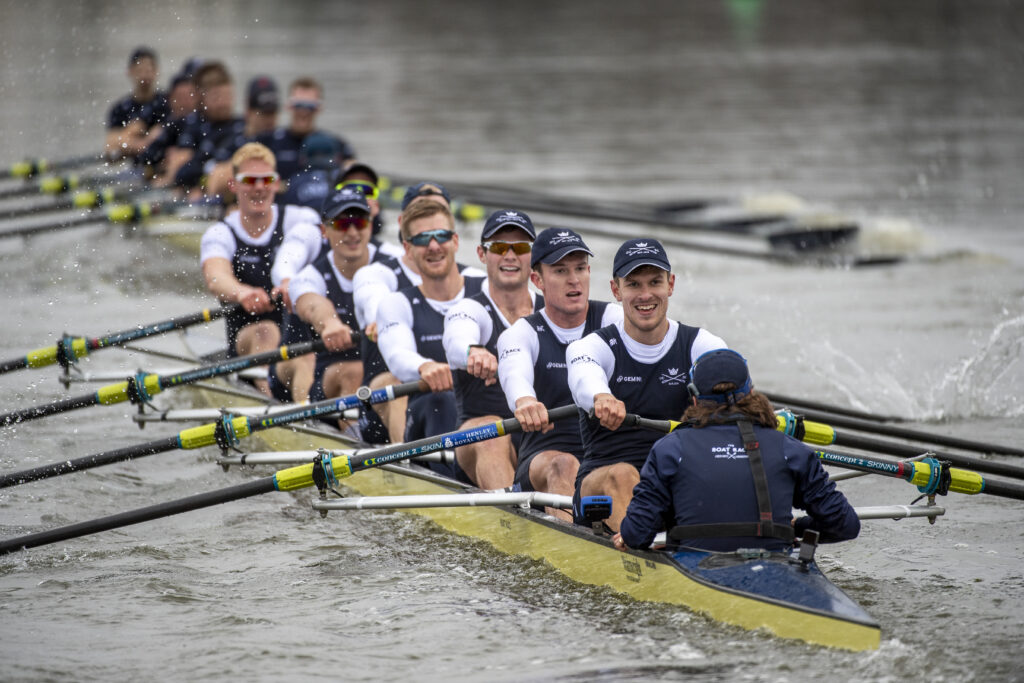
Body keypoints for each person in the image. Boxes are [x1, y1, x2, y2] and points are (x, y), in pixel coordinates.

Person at [613, 349, 860, 551]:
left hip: (695, 571)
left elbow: (636, 535)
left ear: (695, 399)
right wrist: (795, 527)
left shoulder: (670, 449)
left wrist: (633, 530)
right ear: (751, 393)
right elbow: (845, 525)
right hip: (776, 569)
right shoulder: (791, 450)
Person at [566, 238, 727, 531]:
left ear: (671, 284)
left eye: (655, 282)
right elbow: (583, 375)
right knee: (624, 476)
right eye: (633, 284)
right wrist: (601, 397)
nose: (645, 294)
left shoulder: (701, 344)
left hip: (672, 479)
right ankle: (647, 554)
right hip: (599, 486)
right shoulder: (593, 346)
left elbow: (734, 382)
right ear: (616, 290)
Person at [496, 228, 622, 521]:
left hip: (604, 456)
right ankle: (574, 551)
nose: (574, 279)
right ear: (537, 280)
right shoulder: (522, 334)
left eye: (580, 268)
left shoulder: (615, 320)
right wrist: (525, 402)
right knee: (564, 465)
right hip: (545, 458)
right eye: (560, 270)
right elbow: (515, 374)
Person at [352, 182, 476, 444]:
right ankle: (404, 460)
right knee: (398, 381)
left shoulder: (477, 280)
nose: (433, 242)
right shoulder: (378, 275)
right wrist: (378, 318)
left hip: (457, 399)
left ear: (453, 235)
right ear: (404, 228)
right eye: (422, 232)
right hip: (390, 393)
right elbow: (373, 297)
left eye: (440, 231)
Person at [199, 142, 320, 394]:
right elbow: (216, 277)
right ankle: (271, 399)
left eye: (266, 180)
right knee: (267, 331)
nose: (258, 188)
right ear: (234, 185)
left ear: (276, 183)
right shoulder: (222, 232)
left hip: (300, 338)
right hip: (248, 339)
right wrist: (241, 292)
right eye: (249, 180)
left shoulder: (301, 219)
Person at [375, 201, 485, 471]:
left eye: (442, 236)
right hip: (426, 416)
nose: (434, 246)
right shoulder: (396, 303)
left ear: (456, 241)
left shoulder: (485, 289)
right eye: (423, 239)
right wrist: (424, 366)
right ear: (408, 249)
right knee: (441, 400)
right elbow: (397, 355)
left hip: (484, 417)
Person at [442, 210, 542, 489]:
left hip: (544, 443)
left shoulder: (556, 312)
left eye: (520, 247)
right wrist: (473, 352)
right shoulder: (469, 309)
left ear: (533, 257)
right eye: (499, 247)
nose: (510, 255)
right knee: (490, 432)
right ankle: (513, 524)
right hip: (480, 443)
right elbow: (456, 339)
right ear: (482, 254)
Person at [289, 187, 386, 428]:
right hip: (328, 380)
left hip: (383, 377)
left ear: (370, 225)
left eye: (360, 222)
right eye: (342, 224)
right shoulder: (308, 277)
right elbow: (313, 305)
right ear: (324, 230)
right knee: (353, 372)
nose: (352, 232)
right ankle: (358, 444)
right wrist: (330, 324)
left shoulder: (393, 261)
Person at [159, 61, 245, 191]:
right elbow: (182, 171)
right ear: (202, 98)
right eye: (217, 97)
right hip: (189, 185)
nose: (224, 103)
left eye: (227, 96)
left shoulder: (243, 126)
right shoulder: (191, 124)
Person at [257, 77, 356, 181]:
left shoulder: (338, 145)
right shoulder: (267, 142)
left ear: (319, 108)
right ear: (288, 106)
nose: (303, 112)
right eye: (298, 105)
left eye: (310, 106)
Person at [105, 47, 170, 161]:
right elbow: (110, 149)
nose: (144, 76)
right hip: (134, 167)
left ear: (156, 72)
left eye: (148, 71)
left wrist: (129, 141)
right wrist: (142, 142)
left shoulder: (167, 103)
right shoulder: (119, 109)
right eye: (140, 71)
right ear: (130, 71)